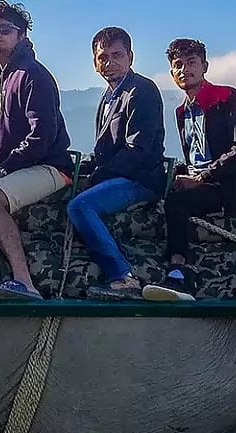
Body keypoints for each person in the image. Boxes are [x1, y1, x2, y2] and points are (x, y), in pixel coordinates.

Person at [0, 1, 74, 301]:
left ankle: (24, 281)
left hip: (51, 167)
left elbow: (42, 135)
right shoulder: (4, 78)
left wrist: (0, 169)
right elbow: (6, 140)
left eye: (5, 30)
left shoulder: (32, 75)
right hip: (24, 165)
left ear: (22, 35)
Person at [142, 38, 236, 303]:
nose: (184, 70)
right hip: (198, 180)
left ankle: (178, 272)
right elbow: (194, 156)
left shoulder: (226, 97)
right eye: (178, 65)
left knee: (176, 203)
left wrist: (203, 177)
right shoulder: (181, 111)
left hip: (223, 186)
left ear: (204, 66)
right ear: (171, 74)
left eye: (191, 63)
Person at [67, 27, 166, 300]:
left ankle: (122, 277)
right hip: (117, 174)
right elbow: (103, 152)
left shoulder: (141, 91)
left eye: (117, 55)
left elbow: (138, 150)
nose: (110, 62)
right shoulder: (108, 97)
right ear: (94, 62)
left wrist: (97, 177)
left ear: (130, 57)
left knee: (81, 205)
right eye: (103, 57)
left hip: (141, 179)